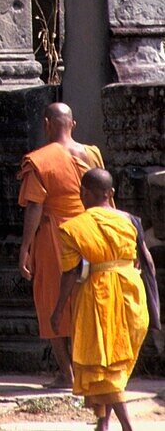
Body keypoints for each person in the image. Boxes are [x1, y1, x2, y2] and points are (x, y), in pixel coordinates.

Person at [51, 168, 149, 431]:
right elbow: (146, 259)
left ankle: (127, 426)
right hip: (132, 295)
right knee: (109, 363)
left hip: (99, 297)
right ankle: (102, 424)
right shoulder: (130, 220)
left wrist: (58, 309)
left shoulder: (73, 228)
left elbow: (71, 272)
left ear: (83, 193)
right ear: (112, 193)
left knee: (106, 365)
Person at [17, 102, 103, 387]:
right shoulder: (92, 154)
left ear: (45, 124)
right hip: (91, 233)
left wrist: (25, 248)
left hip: (56, 236)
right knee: (84, 300)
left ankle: (67, 373)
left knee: (51, 300)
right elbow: (105, 199)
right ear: (73, 125)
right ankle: (88, 368)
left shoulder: (39, 159)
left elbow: (34, 207)